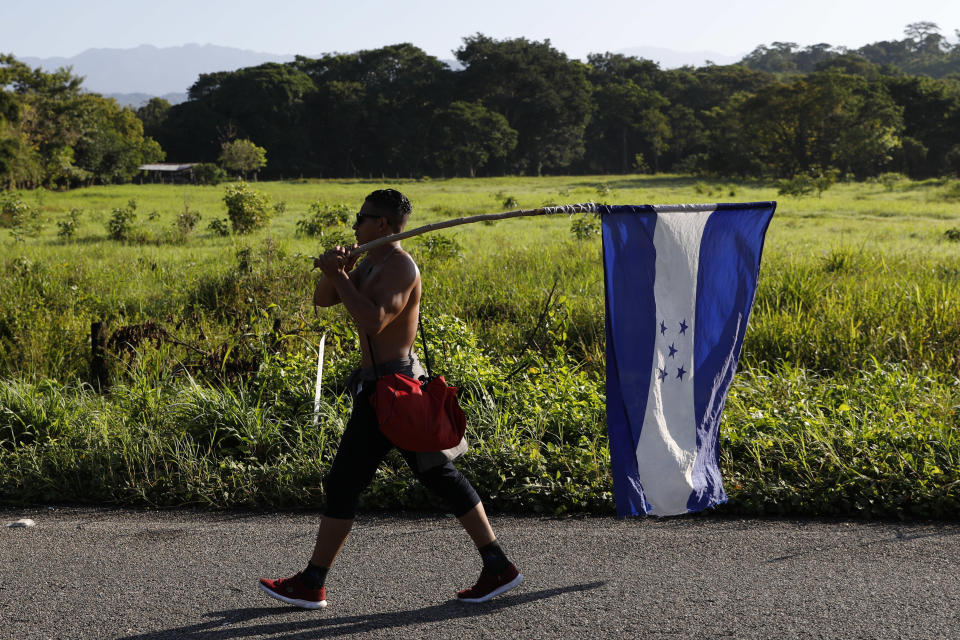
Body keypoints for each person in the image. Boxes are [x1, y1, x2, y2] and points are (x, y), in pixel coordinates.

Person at [258, 189, 522, 609]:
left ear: (381, 224)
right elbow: (323, 299)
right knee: (426, 477)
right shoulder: (370, 262)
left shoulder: (400, 266)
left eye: (359, 219)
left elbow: (374, 321)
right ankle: (497, 565)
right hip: (376, 388)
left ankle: (313, 582)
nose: (354, 226)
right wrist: (336, 270)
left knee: (383, 480)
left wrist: (343, 277)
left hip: (397, 390)